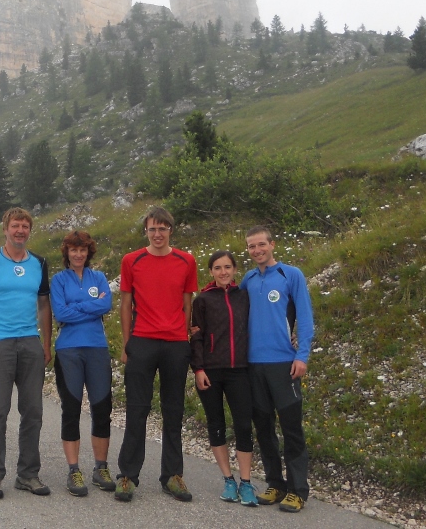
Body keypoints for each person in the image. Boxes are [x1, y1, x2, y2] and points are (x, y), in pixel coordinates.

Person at [114, 206, 198, 503]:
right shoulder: (131, 260)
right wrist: (127, 344)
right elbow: (126, 304)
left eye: (162, 228)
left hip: (175, 343)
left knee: (173, 410)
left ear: (170, 230)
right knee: (137, 409)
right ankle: (127, 475)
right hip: (142, 341)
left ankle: (172, 475)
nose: (157, 234)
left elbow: (187, 303)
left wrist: (185, 337)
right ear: (146, 231)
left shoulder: (186, 261)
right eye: (152, 229)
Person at [0, 207, 53, 499]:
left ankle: (28, 475)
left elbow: (44, 305)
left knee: (33, 412)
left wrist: (46, 344)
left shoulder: (39, 263)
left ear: (30, 231)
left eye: (25, 226)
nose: (20, 231)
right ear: (5, 229)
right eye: (15, 226)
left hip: (30, 342)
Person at [240, 225, 314, 513]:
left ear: (272, 244)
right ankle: (275, 484)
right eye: (251, 246)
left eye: (261, 244)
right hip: (253, 364)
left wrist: (302, 355)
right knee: (264, 427)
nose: (257, 250)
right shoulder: (247, 279)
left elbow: (304, 317)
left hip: (284, 363)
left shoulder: (290, 274)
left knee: (291, 428)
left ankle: (297, 490)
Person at [49, 230, 116, 497]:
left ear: (89, 252)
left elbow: (106, 304)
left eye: (83, 250)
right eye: (74, 250)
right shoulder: (58, 280)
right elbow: (60, 312)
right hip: (68, 350)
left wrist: (76, 308)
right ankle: (74, 470)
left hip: (97, 348)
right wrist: (91, 305)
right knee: (71, 409)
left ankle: (101, 468)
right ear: (67, 252)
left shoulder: (98, 277)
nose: (78, 254)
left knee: (102, 408)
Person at [190, 250, 258, 506]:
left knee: (243, 425)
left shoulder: (244, 296)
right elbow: (196, 337)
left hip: (239, 369)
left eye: (227, 267)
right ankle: (228, 480)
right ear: (210, 272)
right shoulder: (203, 300)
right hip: (210, 371)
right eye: (217, 268)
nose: (223, 272)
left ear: (235, 269)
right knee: (216, 423)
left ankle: (246, 482)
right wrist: (198, 369)